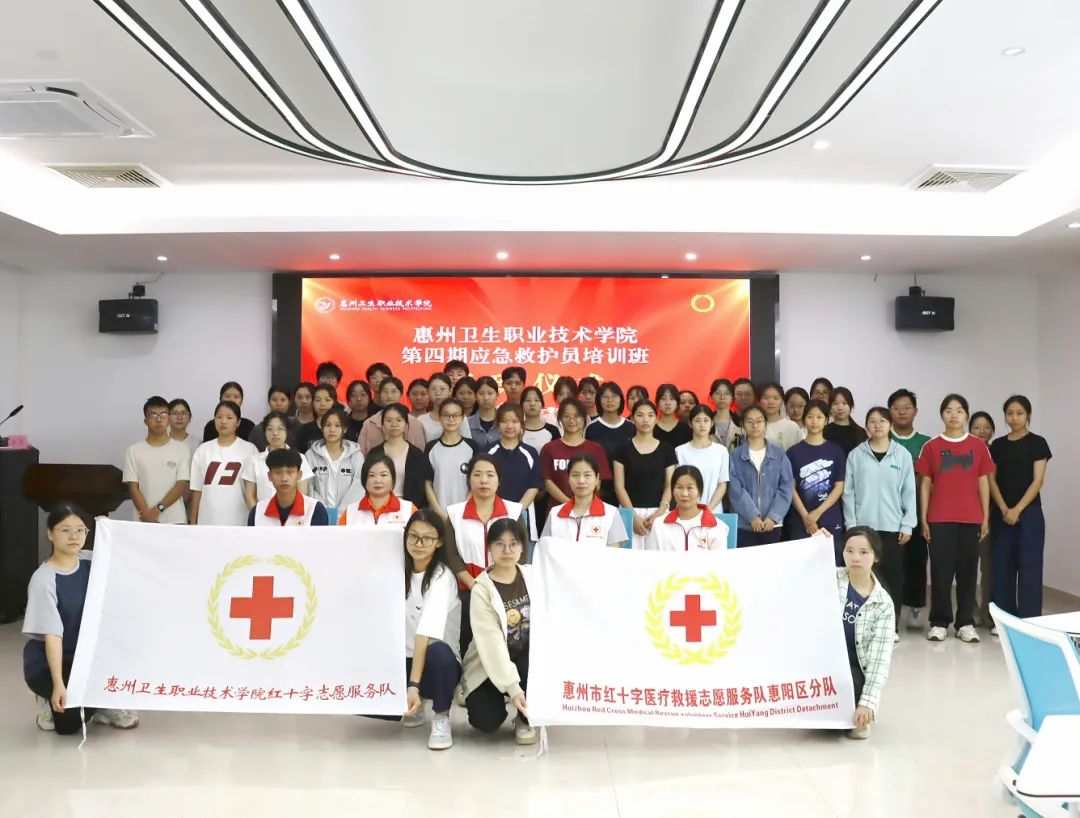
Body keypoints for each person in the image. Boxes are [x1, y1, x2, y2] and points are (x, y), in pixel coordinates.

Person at [23, 503, 138, 734]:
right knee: (69, 725)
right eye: (65, 530)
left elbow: (127, 557)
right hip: (51, 661)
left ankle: (105, 704)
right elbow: (53, 636)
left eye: (80, 530)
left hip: (88, 655)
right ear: (50, 534)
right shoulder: (44, 580)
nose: (74, 536)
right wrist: (58, 684)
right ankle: (45, 697)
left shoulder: (91, 560)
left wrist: (110, 530)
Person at [916, 394, 994, 643]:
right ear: (942, 415)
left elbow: (983, 482)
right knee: (941, 571)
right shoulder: (931, 446)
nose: (954, 415)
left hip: (971, 518)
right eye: (948, 410)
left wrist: (985, 517)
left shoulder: (978, 446)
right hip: (939, 518)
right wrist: (924, 517)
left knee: (968, 572)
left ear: (966, 415)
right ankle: (939, 622)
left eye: (959, 411)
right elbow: (925, 484)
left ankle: (965, 623)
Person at [462, 518, 535, 745]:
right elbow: (491, 643)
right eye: (499, 544)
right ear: (489, 548)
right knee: (486, 721)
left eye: (513, 543)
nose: (507, 550)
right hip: (488, 664)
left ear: (522, 547)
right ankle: (506, 694)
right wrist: (513, 688)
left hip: (526, 658)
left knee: (532, 664)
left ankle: (524, 718)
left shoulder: (533, 577)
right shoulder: (481, 589)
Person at [843, 407, 916, 633]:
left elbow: (909, 491)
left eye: (882, 421)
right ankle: (864, 624)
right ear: (866, 426)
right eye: (872, 421)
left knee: (893, 578)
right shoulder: (856, 455)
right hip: (863, 529)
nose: (877, 425)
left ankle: (890, 627)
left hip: (893, 527)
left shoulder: (902, 455)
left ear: (890, 425)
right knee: (863, 577)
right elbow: (848, 492)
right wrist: (852, 525)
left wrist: (908, 524)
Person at [446, 456, 524, 655]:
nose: (484, 480)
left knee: (509, 648)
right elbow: (451, 555)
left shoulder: (514, 512)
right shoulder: (454, 514)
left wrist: (502, 587)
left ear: (499, 480)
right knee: (469, 647)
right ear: (469, 479)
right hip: (468, 592)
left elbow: (522, 554)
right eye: (477, 475)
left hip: (507, 592)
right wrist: (476, 587)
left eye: (490, 475)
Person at [399, 510, 462, 750]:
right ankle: (415, 703)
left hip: (436, 665)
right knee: (377, 709)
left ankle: (441, 716)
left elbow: (424, 634)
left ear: (439, 542)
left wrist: (413, 685)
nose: (419, 543)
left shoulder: (441, 578)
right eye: (413, 536)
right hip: (405, 658)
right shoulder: (398, 570)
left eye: (427, 538)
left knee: (439, 654)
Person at [990, 395, 1051, 621]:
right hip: (1002, 513)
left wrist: (1017, 509)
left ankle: (1030, 619)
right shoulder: (997, 445)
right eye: (1009, 413)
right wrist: (1004, 508)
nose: (1014, 418)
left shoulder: (1038, 443)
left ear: (1028, 415)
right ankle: (1005, 619)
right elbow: (991, 480)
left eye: (1019, 413)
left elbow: (1038, 480)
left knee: (1030, 567)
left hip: (1030, 513)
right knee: (1002, 567)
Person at [837, 527, 895, 740]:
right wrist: (814, 546)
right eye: (849, 550)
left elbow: (880, 661)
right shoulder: (831, 578)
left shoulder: (883, 604)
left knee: (847, 690)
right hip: (821, 664)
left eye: (864, 552)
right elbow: (801, 573)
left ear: (876, 557)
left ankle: (856, 715)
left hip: (851, 673)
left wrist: (867, 703)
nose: (855, 558)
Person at [888, 388, 932, 631]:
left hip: (916, 512)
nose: (902, 412)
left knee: (916, 560)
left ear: (915, 411)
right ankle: (888, 609)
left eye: (906, 407)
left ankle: (915, 606)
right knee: (889, 563)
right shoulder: (883, 438)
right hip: (887, 512)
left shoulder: (926, 443)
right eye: (896, 408)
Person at [612, 400, 677, 549]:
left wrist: (660, 513)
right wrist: (632, 516)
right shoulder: (622, 450)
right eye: (640, 415)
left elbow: (670, 485)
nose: (645, 419)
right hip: (629, 512)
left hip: (658, 513)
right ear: (632, 418)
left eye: (650, 415)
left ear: (656, 419)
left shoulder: (667, 450)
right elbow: (619, 487)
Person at [728, 406, 793, 547]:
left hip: (772, 525)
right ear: (743, 424)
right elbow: (735, 490)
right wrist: (752, 516)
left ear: (765, 423)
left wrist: (773, 516)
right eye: (750, 421)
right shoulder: (735, 456)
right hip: (744, 524)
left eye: (759, 421)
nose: (755, 425)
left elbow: (786, 488)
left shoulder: (779, 454)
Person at [785, 400, 846, 546]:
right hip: (801, 520)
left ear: (826, 420)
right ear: (804, 420)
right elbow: (790, 488)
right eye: (810, 417)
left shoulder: (836, 451)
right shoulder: (793, 452)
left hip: (829, 517)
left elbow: (839, 487)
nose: (814, 421)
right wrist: (807, 517)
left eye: (819, 417)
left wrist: (817, 513)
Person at [189, 400, 260, 525]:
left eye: (229, 418)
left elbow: (254, 491)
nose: (223, 421)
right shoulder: (203, 450)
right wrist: (193, 520)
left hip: (239, 520)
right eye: (219, 417)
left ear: (238, 422)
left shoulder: (250, 450)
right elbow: (197, 489)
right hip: (208, 520)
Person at [123, 396, 191, 524]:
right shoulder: (133, 450)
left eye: (163, 415)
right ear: (145, 421)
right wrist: (147, 515)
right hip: (143, 520)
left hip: (175, 520)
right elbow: (133, 488)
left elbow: (181, 485)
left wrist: (157, 510)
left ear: (169, 419)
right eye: (153, 415)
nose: (159, 419)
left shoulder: (181, 449)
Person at [540, 454, 628, 547]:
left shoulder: (611, 513)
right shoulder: (555, 514)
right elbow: (545, 549)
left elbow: (614, 553)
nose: (581, 481)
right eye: (575, 475)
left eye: (587, 475)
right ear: (568, 479)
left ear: (597, 479)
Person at [486, 403, 544, 539]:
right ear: (497, 424)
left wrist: (516, 512)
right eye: (505, 421)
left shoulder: (530, 453)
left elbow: (534, 486)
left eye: (515, 421)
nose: (510, 426)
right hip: (492, 515)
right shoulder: (488, 452)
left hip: (524, 516)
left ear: (522, 424)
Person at [540, 399, 611, 510]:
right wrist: (569, 503)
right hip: (558, 509)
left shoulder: (595, 449)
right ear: (560, 419)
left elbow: (599, 480)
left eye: (576, 416)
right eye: (566, 416)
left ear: (583, 419)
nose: (572, 420)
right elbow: (547, 481)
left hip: (588, 509)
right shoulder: (549, 448)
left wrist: (583, 503)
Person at [364, 403, 432, 511]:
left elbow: (421, 488)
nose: (394, 424)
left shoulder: (417, 455)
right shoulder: (375, 453)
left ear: (406, 424)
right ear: (382, 425)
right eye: (389, 420)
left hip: (408, 508)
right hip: (379, 506)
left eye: (399, 420)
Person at [645, 465, 728, 551]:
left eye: (690, 488)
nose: (684, 493)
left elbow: (718, 559)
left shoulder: (716, 527)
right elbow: (652, 558)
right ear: (672, 491)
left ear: (699, 491)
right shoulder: (659, 525)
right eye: (679, 487)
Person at [242, 411, 313, 505]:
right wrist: (258, 513)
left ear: (287, 431)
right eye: (270, 429)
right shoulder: (254, 461)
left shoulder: (300, 458)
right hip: (263, 513)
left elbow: (302, 494)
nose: (275, 433)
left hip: (292, 513)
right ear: (264, 432)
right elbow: (250, 496)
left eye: (280, 429)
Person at [306, 407, 363, 523]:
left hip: (348, 517)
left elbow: (358, 486)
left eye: (337, 426)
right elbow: (309, 486)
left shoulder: (356, 456)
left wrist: (341, 514)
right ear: (322, 428)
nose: (332, 429)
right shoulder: (311, 455)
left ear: (344, 429)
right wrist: (322, 512)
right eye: (328, 425)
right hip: (318, 515)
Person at [424, 398, 479, 517]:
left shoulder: (472, 446)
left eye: (456, 415)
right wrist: (439, 512)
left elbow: (476, 481)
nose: (451, 419)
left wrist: (463, 509)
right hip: (438, 514)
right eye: (446, 415)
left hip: (466, 513)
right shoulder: (431, 447)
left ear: (462, 418)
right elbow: (427, 483)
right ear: (440, 417)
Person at [247, 448, 328, 526]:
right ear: (269, 476)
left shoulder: (315, 509)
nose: (284, 478)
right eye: (278, 473)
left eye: (290, 472)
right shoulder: (257, 511)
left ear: (299, 475)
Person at [585, 382, 635, 504]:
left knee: (627, 516)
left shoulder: (631, 427)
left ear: (621, 399)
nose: (610, 400)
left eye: (614, 396)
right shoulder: (591, 428)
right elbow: (587, 460)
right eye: (605, 397)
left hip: (629, 489)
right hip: (600, 490)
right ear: (599, 400)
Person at [968, 410, 996, 628]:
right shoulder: (965, 451)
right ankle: (971, 611)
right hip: (967, 516)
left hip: (991, 517)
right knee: (967, 567)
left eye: (986, 427)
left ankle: (989, 611)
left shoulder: (997, 452)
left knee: (988, 568)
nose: (982, 431)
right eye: (977, 427)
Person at [338, 453, 418, 527]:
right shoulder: (350, 512)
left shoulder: (409, 510)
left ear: (393, 480)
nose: (378, 480)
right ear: (364, 480)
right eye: (372, 475)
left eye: (383, 475)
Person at [675, 404, 729, 511]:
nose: (702, 425)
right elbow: (678, 485)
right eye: (697, 420)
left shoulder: (721, 451)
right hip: (687, 510)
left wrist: (708, 509)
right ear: (690, 423)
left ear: (712, 423)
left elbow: (722, 484)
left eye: (706, 420)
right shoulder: (680, 451)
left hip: (714, 511)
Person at [359, 378, 427, 454]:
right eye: (385, 392)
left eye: (394, 391)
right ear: (380, 395)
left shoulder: (414, 423)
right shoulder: (369, 423)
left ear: (401, 394)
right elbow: (361, 452)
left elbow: (420, 451)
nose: (389, 396)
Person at [420, 373, 472, 444]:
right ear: (428, 391)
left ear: (450, 391)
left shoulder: (459, 416)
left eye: (442, 389)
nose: (438, 393)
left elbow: (468, 444)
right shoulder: (421, 420)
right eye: (433, 389)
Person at [248, 386, 299, 451]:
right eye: (274, 400)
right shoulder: (257, 431)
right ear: (268, 402)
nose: (279, 404)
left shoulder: (297, 426)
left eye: (283, 400)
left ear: (289, 402)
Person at [296, 383, 338, 454]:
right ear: (312, 403)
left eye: (327, 400)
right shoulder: (305, 430)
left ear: (334, 402)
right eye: (318, 400)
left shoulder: (343, 428)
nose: (323, 404)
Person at [824, 387, 867, 455]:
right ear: (830, 407)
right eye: (835, 403)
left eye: (844, 403)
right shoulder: (824, 430)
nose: (840, 408)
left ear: (851, 406)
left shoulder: (861, 432)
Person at [759, 382, 801, 451]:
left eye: (776, 398)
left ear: (782, 401)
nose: (771, 402)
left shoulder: (792, 427)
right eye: (766, 398)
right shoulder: (754, 426)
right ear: (759, 401)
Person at [521, 386, 561, 452]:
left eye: (536, 400)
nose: (532, 404)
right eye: (528, 400)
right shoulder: (516, 430)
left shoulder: (553, 430)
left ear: (542, 405)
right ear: (521, 405)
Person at [709, 379, 745, 451]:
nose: (722, 397)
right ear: (711, 397)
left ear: (732, 398)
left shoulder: (741, 423)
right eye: (718, 393)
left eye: (727, 393)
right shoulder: (706, 422)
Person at [467, 376, 502, 449]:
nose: (486, 398)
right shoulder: (467, 423)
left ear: (497, 394)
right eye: (481, 394)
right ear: (475, 396)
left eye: (490, 393)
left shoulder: (505, 421)